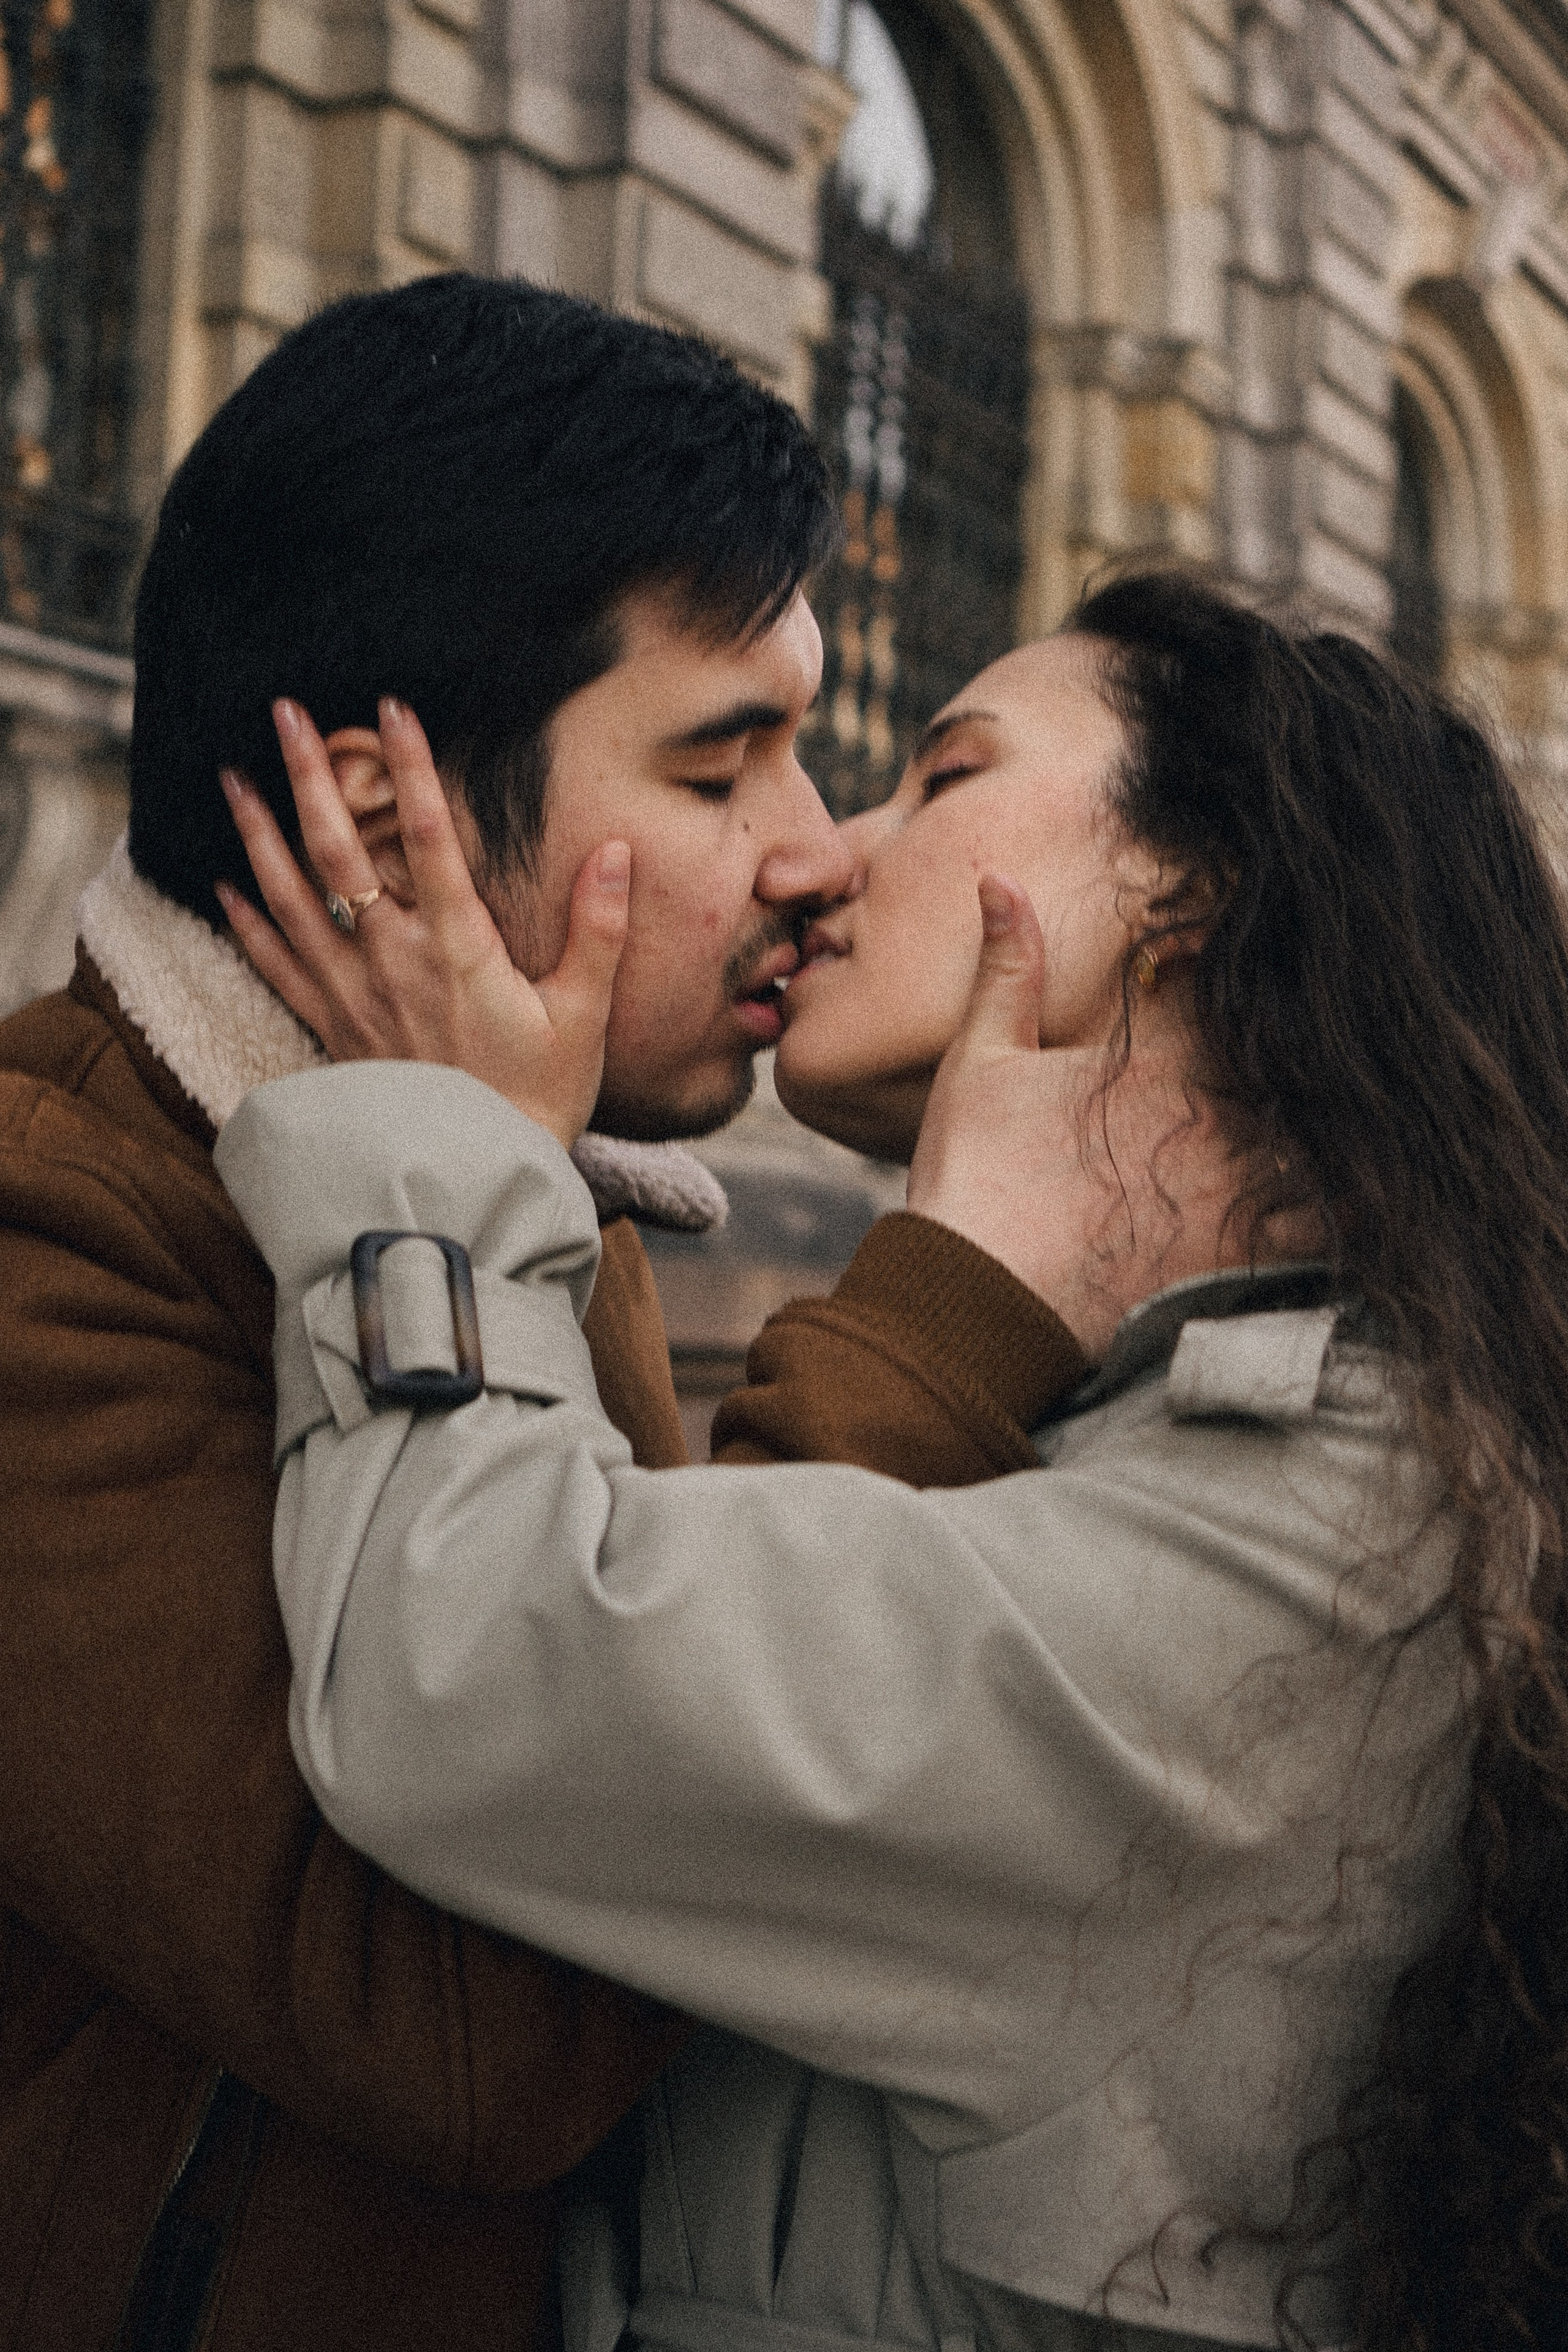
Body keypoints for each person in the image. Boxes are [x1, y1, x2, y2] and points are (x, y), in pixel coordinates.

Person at [218, 572, 1568, 2352]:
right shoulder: (1277, 1443)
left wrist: (444, 1133)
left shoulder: (1337, 1545)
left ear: (1191, 887)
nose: (826, 855)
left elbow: (470, 1663)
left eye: (944, 775)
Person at [0, 273, 1064, 2352]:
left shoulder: (525, 1170)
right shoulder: (53, 1243)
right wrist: (952, 1314)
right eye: (721, 772)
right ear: (379, 830)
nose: (815, 858)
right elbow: (486, 2032)